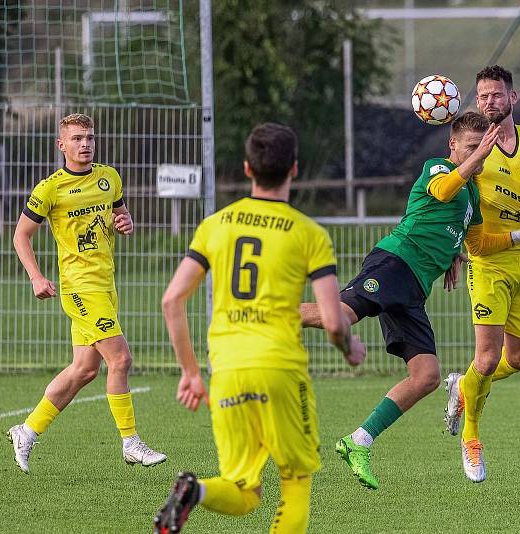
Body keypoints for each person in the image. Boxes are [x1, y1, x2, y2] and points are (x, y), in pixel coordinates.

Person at [299, 111, 520, 490]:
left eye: (486, 149)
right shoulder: (437, 169)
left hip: (414, 287)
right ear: (453, 146)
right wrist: (478, 160)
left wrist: (516, 235)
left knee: (427, 376)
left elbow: (478, 243)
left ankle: (358, 441)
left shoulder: (473, 195)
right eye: (474, 147)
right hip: (395, 262)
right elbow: (443, 191)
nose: (482, 154)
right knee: (341, 316)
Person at [154, 122, 366, 534]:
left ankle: (193, 491)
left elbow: (171, 300)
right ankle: (194, 492)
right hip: (280, 369)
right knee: (296, 480)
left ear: (248, 169)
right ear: (296, 169)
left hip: (228, 371)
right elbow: (332, 317)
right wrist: (349, 347)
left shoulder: (216, 225)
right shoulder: (309, 233)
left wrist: (191, 373)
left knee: (244, 490)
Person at [7, 113, 166, 474]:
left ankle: (27, 430)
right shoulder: (50, 189)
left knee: (84, 369)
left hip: (107, 283)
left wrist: (125, 223)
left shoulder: (109, 177)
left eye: (90, 137)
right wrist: (36, 277)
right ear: (61, 145)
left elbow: (120, 217)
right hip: (79, 286)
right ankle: (130, 443)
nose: (86, 144)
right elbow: (21, 236)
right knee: (121, 359)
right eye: (77, 138)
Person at [443, 65, 520, 483]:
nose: (489, 101)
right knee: (489, 356)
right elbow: (451, 199)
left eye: (496, 95)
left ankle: (463, 387)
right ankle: (472, 438)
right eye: (482, 96)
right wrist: (452, 251)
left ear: (512, 98)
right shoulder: (473, 151)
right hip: (489, 261)